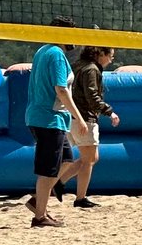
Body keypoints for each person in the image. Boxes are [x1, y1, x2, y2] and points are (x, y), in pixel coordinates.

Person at [26, 35, 85, 227]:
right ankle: (39, 217)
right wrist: (79, 117)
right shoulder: (56, 54)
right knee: (48, 171)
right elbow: (61, 89)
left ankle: (37, 201)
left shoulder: (42, 50)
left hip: (47, 118)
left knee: (66, 160)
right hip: (48, 119)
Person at [71, 45, 119, 208]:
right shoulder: (91, 69)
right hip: (84, 117)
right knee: (89, 159)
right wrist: (109, 112)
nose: (111, 60)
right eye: (110, 55)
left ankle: (62, 188)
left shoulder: (78, 65)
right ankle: (72, 193)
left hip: (73, 116)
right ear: (101, 53)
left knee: (88, 158)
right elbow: (92, 95)